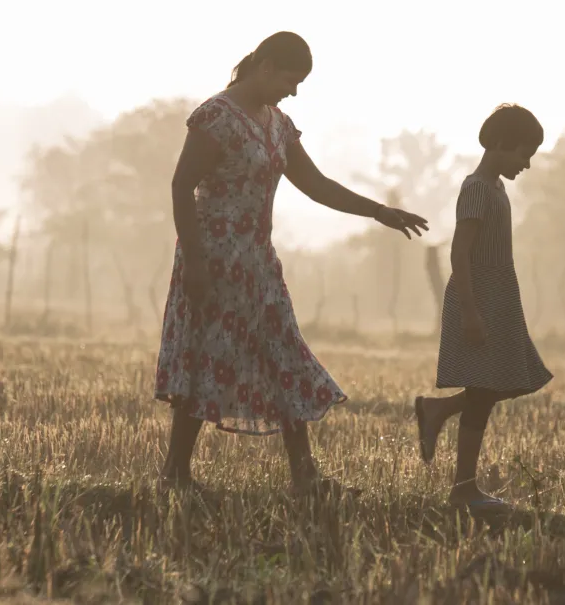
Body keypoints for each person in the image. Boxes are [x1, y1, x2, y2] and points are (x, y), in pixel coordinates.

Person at [156, 31, 429, 499]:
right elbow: (182, 187)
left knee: (283, 355)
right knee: (207, 357)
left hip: (258, 263)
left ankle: (305, 478)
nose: (294, 91)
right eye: (290, 80)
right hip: (214, 260)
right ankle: (175, 474)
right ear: (264, 67)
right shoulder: (215, 118)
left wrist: (379, 211)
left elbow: (317, 185)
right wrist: (197, 263)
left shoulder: (279, 124)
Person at [413, 103, 551, 511]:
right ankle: (463, 490)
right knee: (486, 388)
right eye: (523, 153)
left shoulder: (497, 187)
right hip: (480, 297)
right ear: (502, 144)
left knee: (509, 380)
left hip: (500, 295)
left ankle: (438, 411)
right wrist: (470, 310)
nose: (526, 163)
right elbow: (460, 252)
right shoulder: (475, 188)